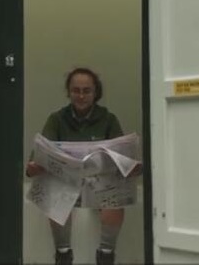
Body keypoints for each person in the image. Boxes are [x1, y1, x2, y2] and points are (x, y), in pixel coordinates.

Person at [26, 67, 142, 265]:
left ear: (95, 93)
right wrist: (36, 166)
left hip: (99, 184)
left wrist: (130, 167)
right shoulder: (57, 119)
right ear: (69, 92)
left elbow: (121, 157)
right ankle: (63, 253)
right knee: (56, 194)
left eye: (86, 91)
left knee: (115, 198)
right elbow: (36, 160)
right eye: (76, 90)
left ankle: (106, 254)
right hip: (68, 182)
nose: (81, 96)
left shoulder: (108, 119)